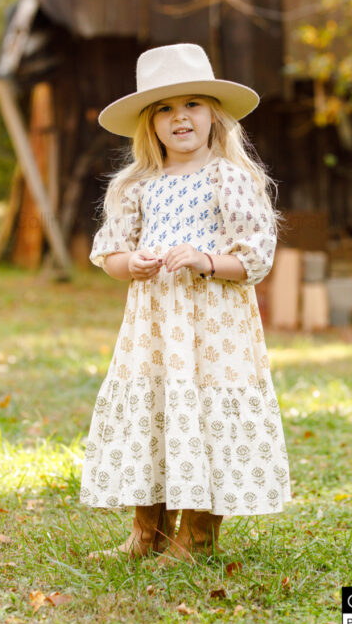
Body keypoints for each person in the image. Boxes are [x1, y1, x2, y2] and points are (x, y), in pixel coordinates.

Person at [81, 43, 292, 564]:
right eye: (165, 109)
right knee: (152, 415)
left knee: (207, 417)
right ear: (150, 124)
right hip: (153, 329)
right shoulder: (137, 185)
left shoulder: (229, 178)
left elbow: (256, 258)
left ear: (213, 114)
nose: (180, 117)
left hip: (214, 328)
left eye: (192, 104)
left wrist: (205, 260)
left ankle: (197, 537)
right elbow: (109, 251)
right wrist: (130, 263)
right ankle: (147, 532)